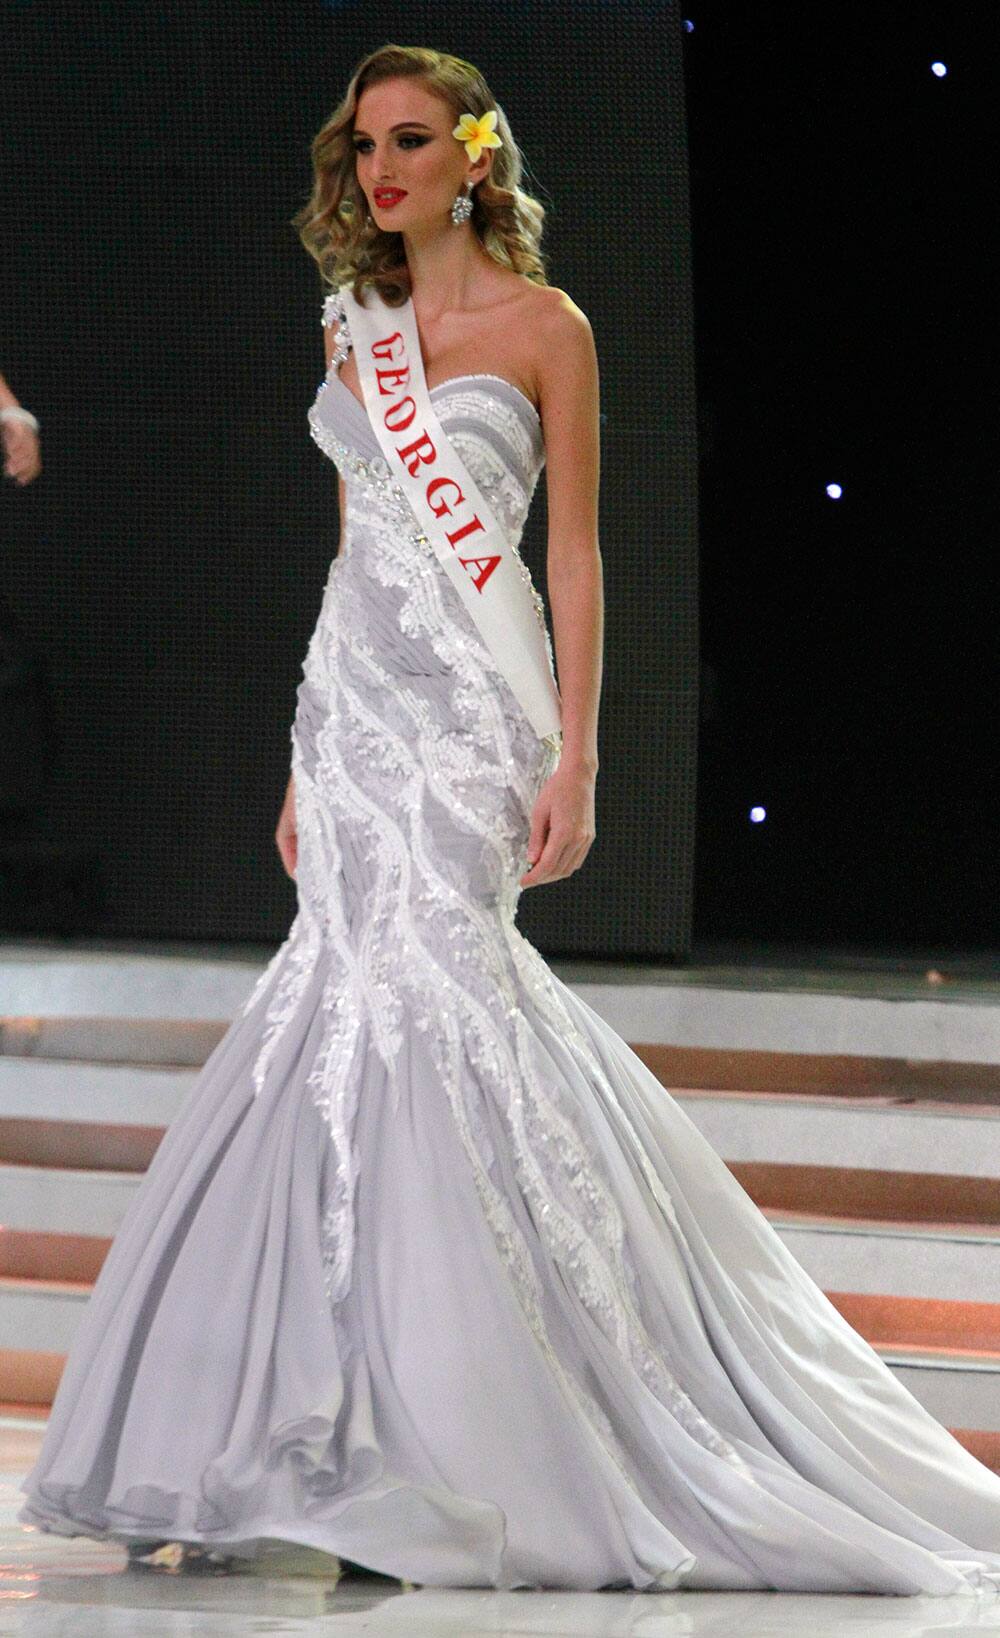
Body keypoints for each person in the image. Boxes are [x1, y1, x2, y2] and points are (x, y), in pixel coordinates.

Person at [17, 44, 1000, 1597]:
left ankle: (464, 1435)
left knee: (444, 1006)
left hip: (478, 722)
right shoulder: (356, 326)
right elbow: (357, 549)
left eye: (411, 142)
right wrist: (297, 749)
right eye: (362, 149)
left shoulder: (551, 329)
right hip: (354, 715)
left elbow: (579, 560)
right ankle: (305, 1436)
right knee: (335, 1021)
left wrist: (583, 758)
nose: (381, 171)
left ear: (475, 157)